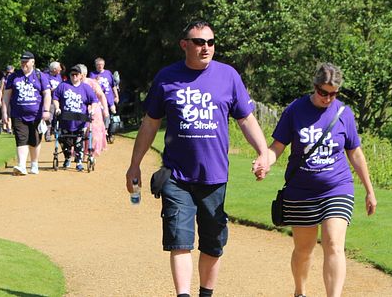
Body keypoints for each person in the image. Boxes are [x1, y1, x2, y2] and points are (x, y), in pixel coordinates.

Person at [125, 20, 271, 297]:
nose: (206, 48)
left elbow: (246, 119)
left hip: (214, 177)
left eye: (211, 42)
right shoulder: (167, 78)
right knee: (180, 240)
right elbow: (149, 123)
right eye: (199, 42)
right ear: (185, 45)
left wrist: (263, 152)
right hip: (177, 177)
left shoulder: (228, 76)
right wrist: (134, 165)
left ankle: (206, 293)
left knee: (213, 244)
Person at [254, 63, 377, 297]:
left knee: (333, 245)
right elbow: (277, 146)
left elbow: (355, 153)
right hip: (301, 191)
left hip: (337, 187)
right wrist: (265, 162)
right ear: (314, 87)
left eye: (333, 94)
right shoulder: (295, 110)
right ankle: (299, 291)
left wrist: (370, 191)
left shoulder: (344, 114)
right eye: (323, 92)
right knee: (303, 250)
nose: (328, 98)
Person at [2, 52, 51, 175]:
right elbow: (6, 96)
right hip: (18, 114)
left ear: (32, 62)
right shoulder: (13, 76)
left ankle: (34, 163)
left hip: (36, 115)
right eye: (22, 62)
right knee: (21, 139)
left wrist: (46, 110)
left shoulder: (41, 76)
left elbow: (47, 94)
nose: (24, 64)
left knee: (35, 140)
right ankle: (22, 165)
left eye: (26, 62)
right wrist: (4, 112)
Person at [53, 65, 99, 171]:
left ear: (80, 76)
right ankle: (67, 158)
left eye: (76, 75)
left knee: (79, 141)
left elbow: (94, 100)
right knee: (64, 140)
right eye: (72, 74)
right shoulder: (63, 86)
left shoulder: (86, 88)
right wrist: (57, 107)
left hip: (80, 120)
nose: (74, 77)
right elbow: (55, 98)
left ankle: (79, 161)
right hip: (65, 119)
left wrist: (92, 109)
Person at [77, 63, 109, 156]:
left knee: (94, 132)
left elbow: (101, 96)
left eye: (78, 73)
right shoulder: (74, 84)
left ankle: (92, 152)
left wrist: (105, 110)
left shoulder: (92, 82)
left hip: (94, 110)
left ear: (83, 74)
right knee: (79, 131)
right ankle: (79, 151)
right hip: (80, 109)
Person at [90, 57, 120, 142]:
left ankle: (111, 133)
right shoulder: (92, 74)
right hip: (98, 100)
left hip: (109, 98)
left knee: (112, 115)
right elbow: (90, 86)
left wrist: (116, 96)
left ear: (104, 65)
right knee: (101, 116)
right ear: (96, 66)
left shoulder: (108, 73)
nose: (100, 66)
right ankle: (103, 133)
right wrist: (95, 80)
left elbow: (113, 86)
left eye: (101, 65)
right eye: (98, 65)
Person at [45, 61, 63, 140]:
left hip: (58, 100)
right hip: (50, 100)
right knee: (50, 118)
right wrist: (55, 89)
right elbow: (46, 89)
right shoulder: (46, 76)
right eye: (59, 68)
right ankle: (47, 135)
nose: (61, 69)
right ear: (54, 69)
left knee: (58, 117)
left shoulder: (59, 76)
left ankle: (56, 133)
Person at [0, 64, 15, 134]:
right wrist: (0, 100)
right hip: (6, 98)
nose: (9, 74)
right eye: (8, 72)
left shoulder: (14, 78)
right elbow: (1, 90)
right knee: (8, 114)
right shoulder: (4, 79)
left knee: (11, 114)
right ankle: (9, 128)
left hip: (13, 98)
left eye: (10, 72)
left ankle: (7, 127)